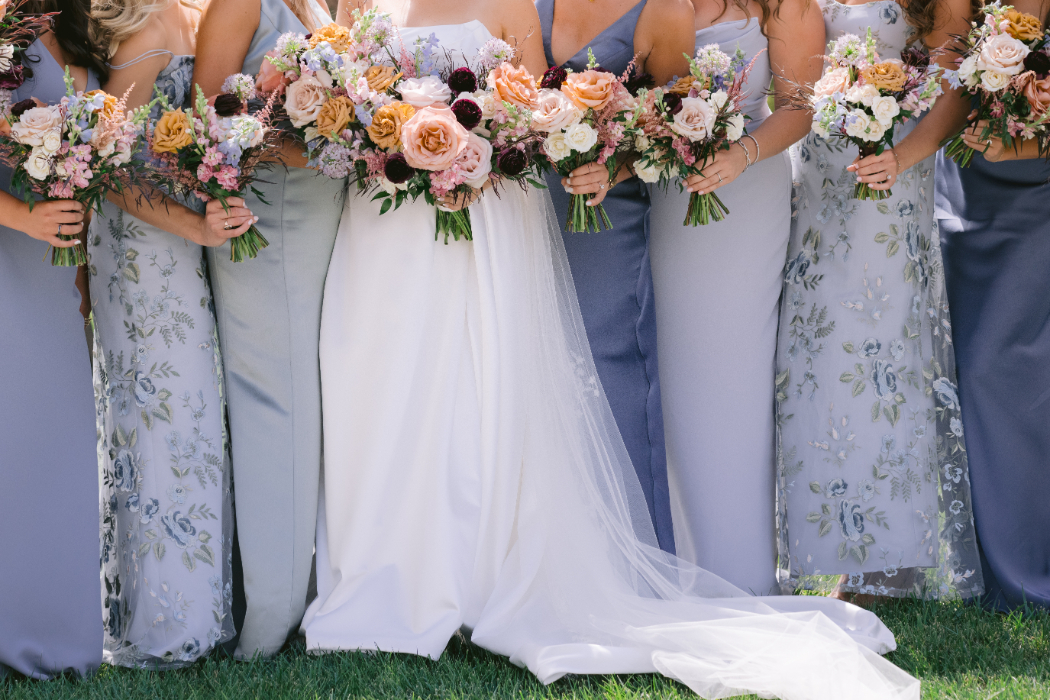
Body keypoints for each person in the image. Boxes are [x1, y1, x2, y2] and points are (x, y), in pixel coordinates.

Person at [304, 2, 922, 697]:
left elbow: (577, 102)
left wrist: (578, 154)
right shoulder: (372, 8)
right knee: (409, 382)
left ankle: (677, 558)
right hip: (417, 221)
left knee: (668, 382)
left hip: (604, 201)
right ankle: (404, 558)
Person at [774, 0, 983, 602]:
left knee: (883, 355)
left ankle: (890, 558)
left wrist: (901, 158)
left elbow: (954, 86)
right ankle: (832, 543)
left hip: (890, 179)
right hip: (816, 175)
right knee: (817, 353)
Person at [89, 0, 255, 667]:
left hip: (185, 240)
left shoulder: (191, 13)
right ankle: (165, 624)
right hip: (141, 251)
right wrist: (196, 228)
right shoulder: (145, 25)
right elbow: (111, 167)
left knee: (190, 418)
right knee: (163, 417)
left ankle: (203, 609)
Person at [648, 0, 824, 595]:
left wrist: (739, 154)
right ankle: (657, 552)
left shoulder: (781, 5)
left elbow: (800, 108)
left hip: (745, 193)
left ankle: (735, 565)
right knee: (660, 369)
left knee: (730, 373)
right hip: (654, 194)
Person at [192, 0, 346, 659]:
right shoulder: (239, 4)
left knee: (302, 407)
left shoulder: (313, 5)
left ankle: (303, 587)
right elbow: (205, 124)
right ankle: (269, 617)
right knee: (270, 408)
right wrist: (307, 151)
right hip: (265, 224)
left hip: (315, 218)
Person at [532, 0, 696, 553]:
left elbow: (676, 122)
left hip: (604, 216)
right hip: (523, 209)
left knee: (610, 365)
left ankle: (633, 550)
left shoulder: (665, 9)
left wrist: (615, 165)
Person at [0, 0, 107, 678]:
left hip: (61, 268)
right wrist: (25, 219)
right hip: (13, 256)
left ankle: (60, 631)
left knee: (61, 442)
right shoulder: (5, 37)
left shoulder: (81, 33)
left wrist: (86, 269)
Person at [934, 0, 1050, 611]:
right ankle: (970, 556)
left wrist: (1024, 147)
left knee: (1000, 368)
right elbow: (940, 71)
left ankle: (1022, 569)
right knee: (960, 372)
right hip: (961, 189)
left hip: (1039, 196)